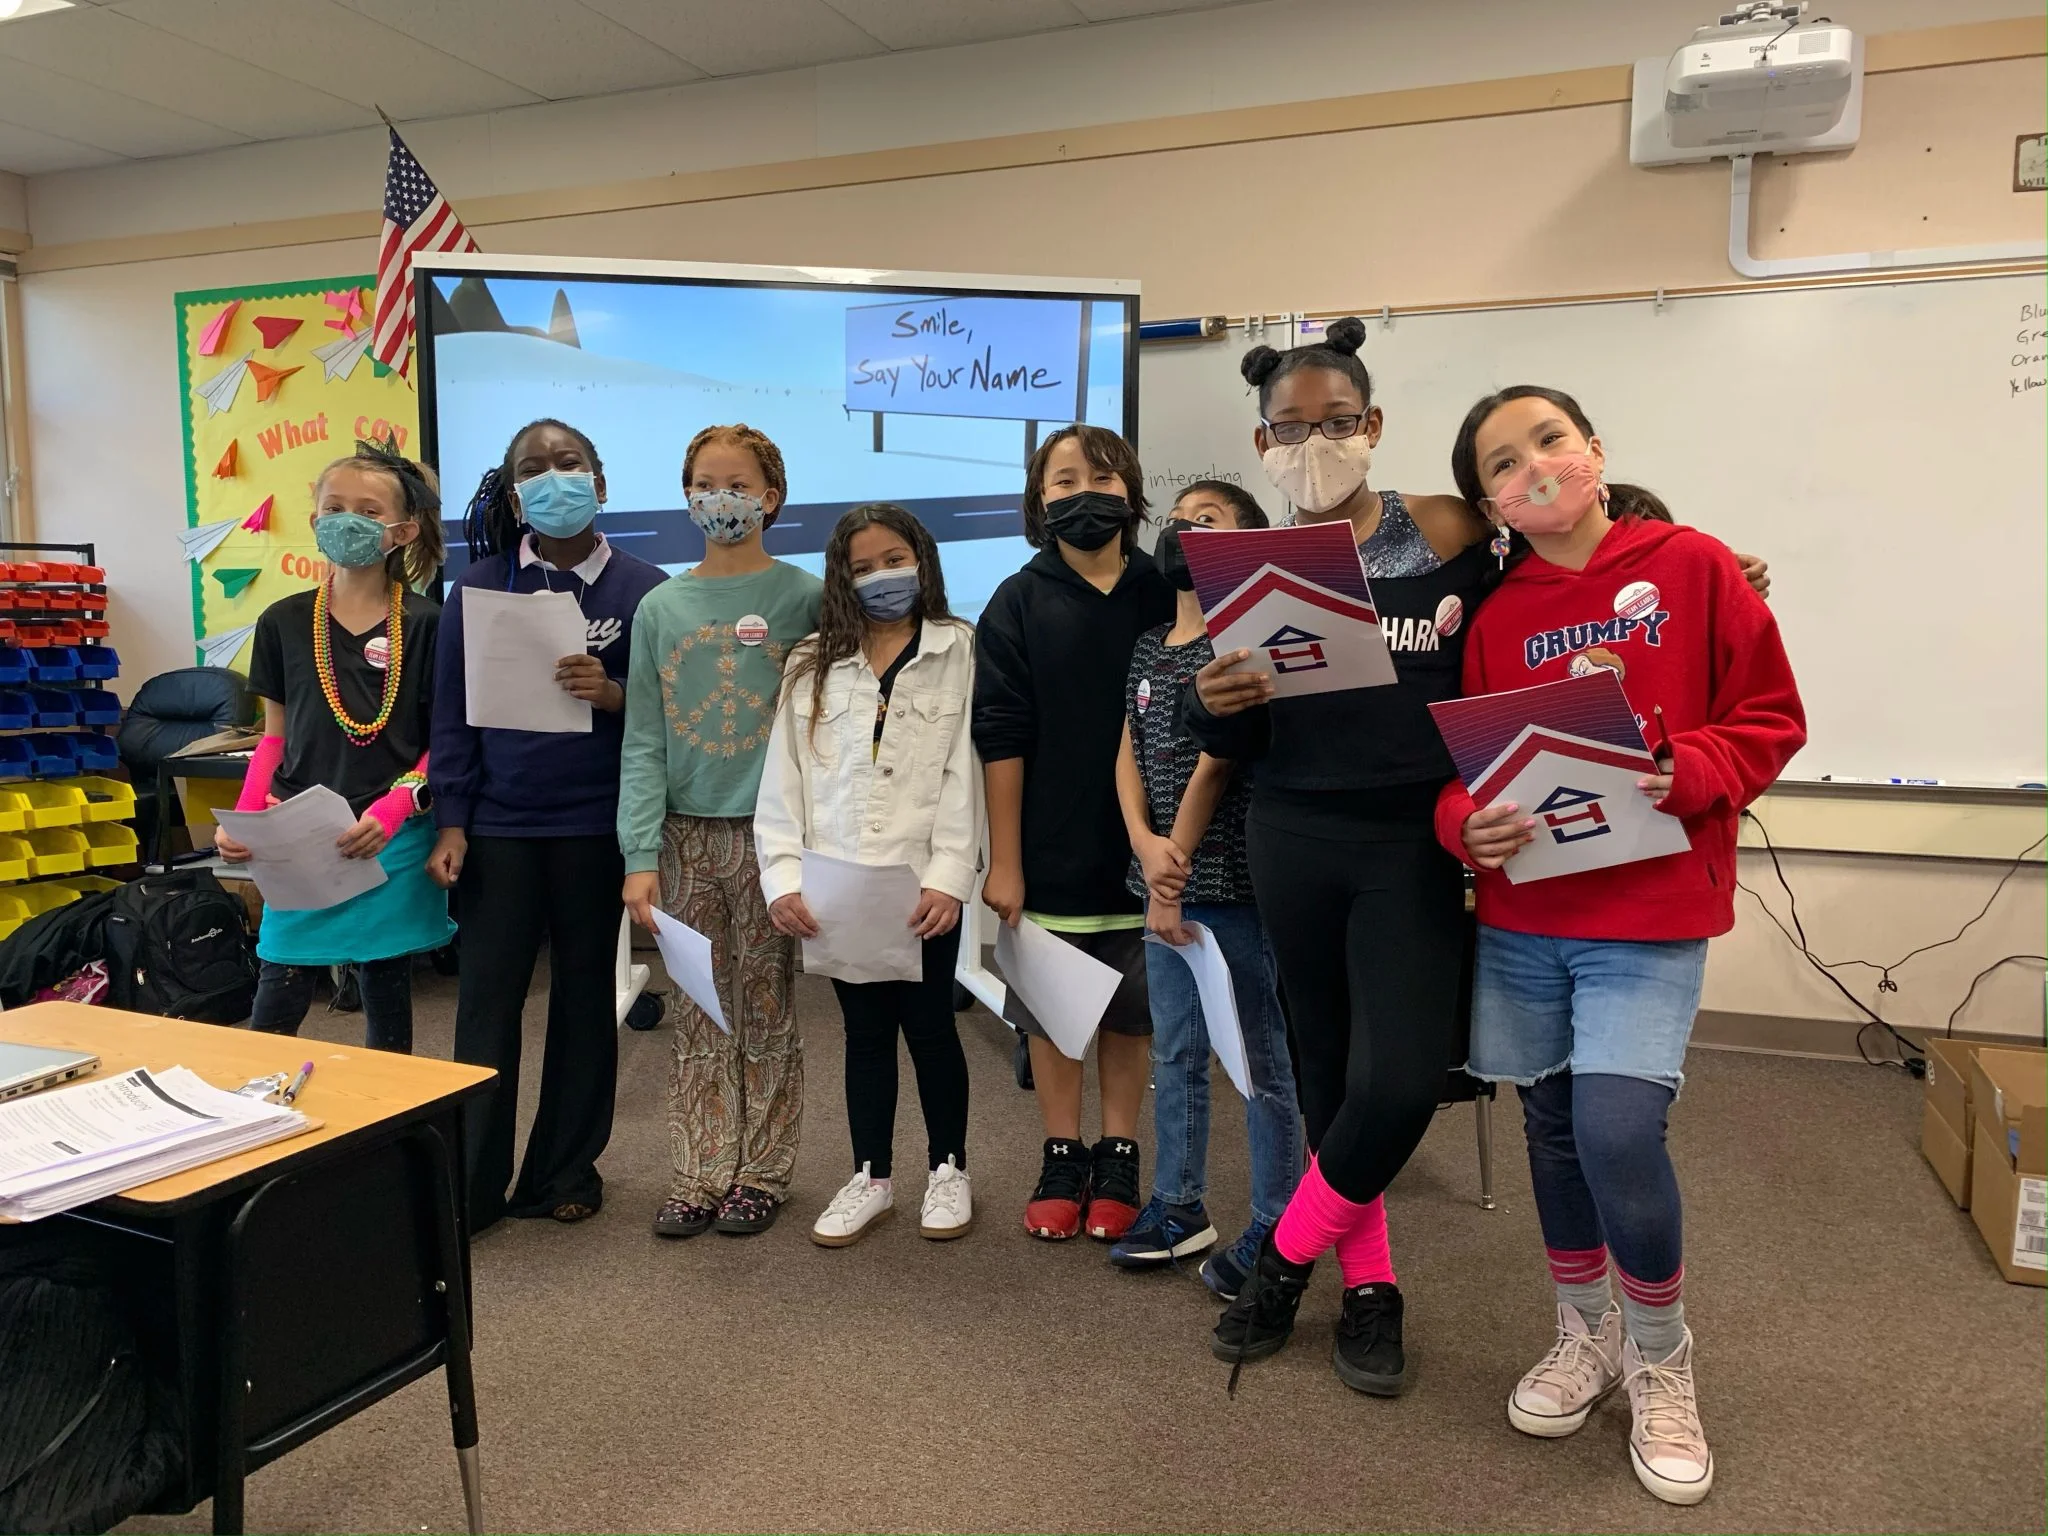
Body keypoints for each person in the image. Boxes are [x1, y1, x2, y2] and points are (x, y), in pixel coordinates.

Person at [1193, 323, 1774, 1397]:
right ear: (1262, 440)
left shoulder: (1449, 527)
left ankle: (1279, 1263)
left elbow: (1574, 549)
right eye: (1289, 428)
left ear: (1372, 424)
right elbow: (1232, 733)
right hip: (1291, 836)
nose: (1313, 443)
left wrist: (1698, 559)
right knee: (1327, 1074)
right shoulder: (1246, 569)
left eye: (1335, 421)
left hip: (1412, 840)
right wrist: (1209, 701)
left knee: (1401, 1079)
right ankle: (1370, 1287)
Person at [1437, 385, 1803, 1505]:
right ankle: (1583, 1330)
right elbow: (1462, 773)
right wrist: (1464, 828)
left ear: (1594, 449)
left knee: (1615, 1128)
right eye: (1502, 463)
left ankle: (1659, 1354)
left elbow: (1770, 717)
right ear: (1488, 505)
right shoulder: (1496, 614)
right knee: (1552, 1130)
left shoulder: (1694, 567)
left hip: (1647, 915)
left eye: (1549, 441)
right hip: (1525, 920)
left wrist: (1693, 768)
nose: (1534, 469)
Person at [429, 419, 667, 1230]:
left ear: (599, 483)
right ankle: (472, 1183)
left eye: (569, 463)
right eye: (534, 468)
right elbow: (451, 716)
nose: (553, 477)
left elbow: (668, 715)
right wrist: (452, 820)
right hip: (498, 827)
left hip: (595, 826)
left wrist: (615, 693)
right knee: (486, 1006)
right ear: (514, 494)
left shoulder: (646, 590)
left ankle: (565, 1170)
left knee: (583, 1001)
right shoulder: (478, 589)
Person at [754, 504, 981, 1247]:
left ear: (922, 559)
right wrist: (783, 877)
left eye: (894, 560)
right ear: (840, 578)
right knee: (864, 1033)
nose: (881, 577)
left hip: (920, 884)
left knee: (931, 1029)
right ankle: (871, 1178)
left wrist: (949, 876)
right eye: (862, 567)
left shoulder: (959, 649)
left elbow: (964, 771)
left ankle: (948, 1169)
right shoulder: (812, 661)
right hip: (840, 884)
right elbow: (784, 778)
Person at [618, 423, 822, 1239]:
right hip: (683, 836)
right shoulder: (661, 608)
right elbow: (643, 736)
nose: (720, 498)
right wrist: (639, 852)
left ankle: (762, 1172)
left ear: (771, 497)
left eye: (737, 484)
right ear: (686, 494)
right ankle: (699, 1170)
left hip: (773, 839)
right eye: (705, 483)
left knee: (767, 1005)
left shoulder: (805, 598)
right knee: (700, 1008)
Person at [973, 424, 1174, 1243]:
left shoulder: (1167, 590)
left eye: (1102, 476)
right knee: (1055, 1012)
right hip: (1049, 842)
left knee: (1131, 1012)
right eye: (1063, 481)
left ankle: (1119, 1153)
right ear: (1037, 499)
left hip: (1149, 847)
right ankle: (1062, 1153)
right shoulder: (1017, 600)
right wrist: (1006, 861)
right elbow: (1001, 735)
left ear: (1132, 490)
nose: (1083, 492)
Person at [1107, 480, 1302, 1296]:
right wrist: (1143, 845)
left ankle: (1277, 1225)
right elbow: (1127, 749)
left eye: (1208, 520)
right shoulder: (1150, 643)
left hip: (1226, 884)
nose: (1183, 529)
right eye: (1178, 517)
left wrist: (1172, 867)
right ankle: (1178, 1204)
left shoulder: (1241, 645)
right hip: (1160, 878)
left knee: (1257, 1061)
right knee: (1177, 1051)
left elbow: (1216, 764)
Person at [215, 441, 451, 1052]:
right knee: (279, 993)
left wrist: (394, 810)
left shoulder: (428, 622)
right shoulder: (282, 620)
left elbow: (443, 744)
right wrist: (246, 815)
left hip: (388, 837)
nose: (349, 521)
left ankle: (390, 1108)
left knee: (386, 993)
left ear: (402, 532)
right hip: (300, 833)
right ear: (315, 519)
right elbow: (273, 737)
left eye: (370, 512)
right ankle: (261, 1104)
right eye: (335, 507)